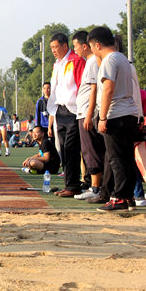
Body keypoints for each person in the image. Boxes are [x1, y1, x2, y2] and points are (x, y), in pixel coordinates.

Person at [88, 27, 139, 211]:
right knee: (126, 158)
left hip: (115, 114)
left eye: (91, 47)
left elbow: (108, 88)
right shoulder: (123, 59)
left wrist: (102, 117)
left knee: (116, 159)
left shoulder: (109, 60)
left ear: (97, 44)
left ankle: (118, 197)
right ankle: (128, 197)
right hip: (128, 113)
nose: (92, 52)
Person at [47, 33, 86, 198]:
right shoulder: (57, 64)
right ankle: (69, 185)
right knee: (63, 150)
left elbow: (82, 86)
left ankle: (75, 185)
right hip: (59, 110)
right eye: (51, 48)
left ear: (65, 46)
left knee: (71, 149)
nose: (54, 51)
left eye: (56, 47)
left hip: (74, 110)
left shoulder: (76, 61)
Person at [71, 31, 105, 201]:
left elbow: (94, 89)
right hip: (84, 111)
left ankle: (96, 187)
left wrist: (89, 113)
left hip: (87, 112)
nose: (74, 49)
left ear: (85, 46)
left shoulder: (92, 63)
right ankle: (98, 186)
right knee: (89, 150)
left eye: (75, 46)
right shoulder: (90, 62)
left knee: (91, 150)